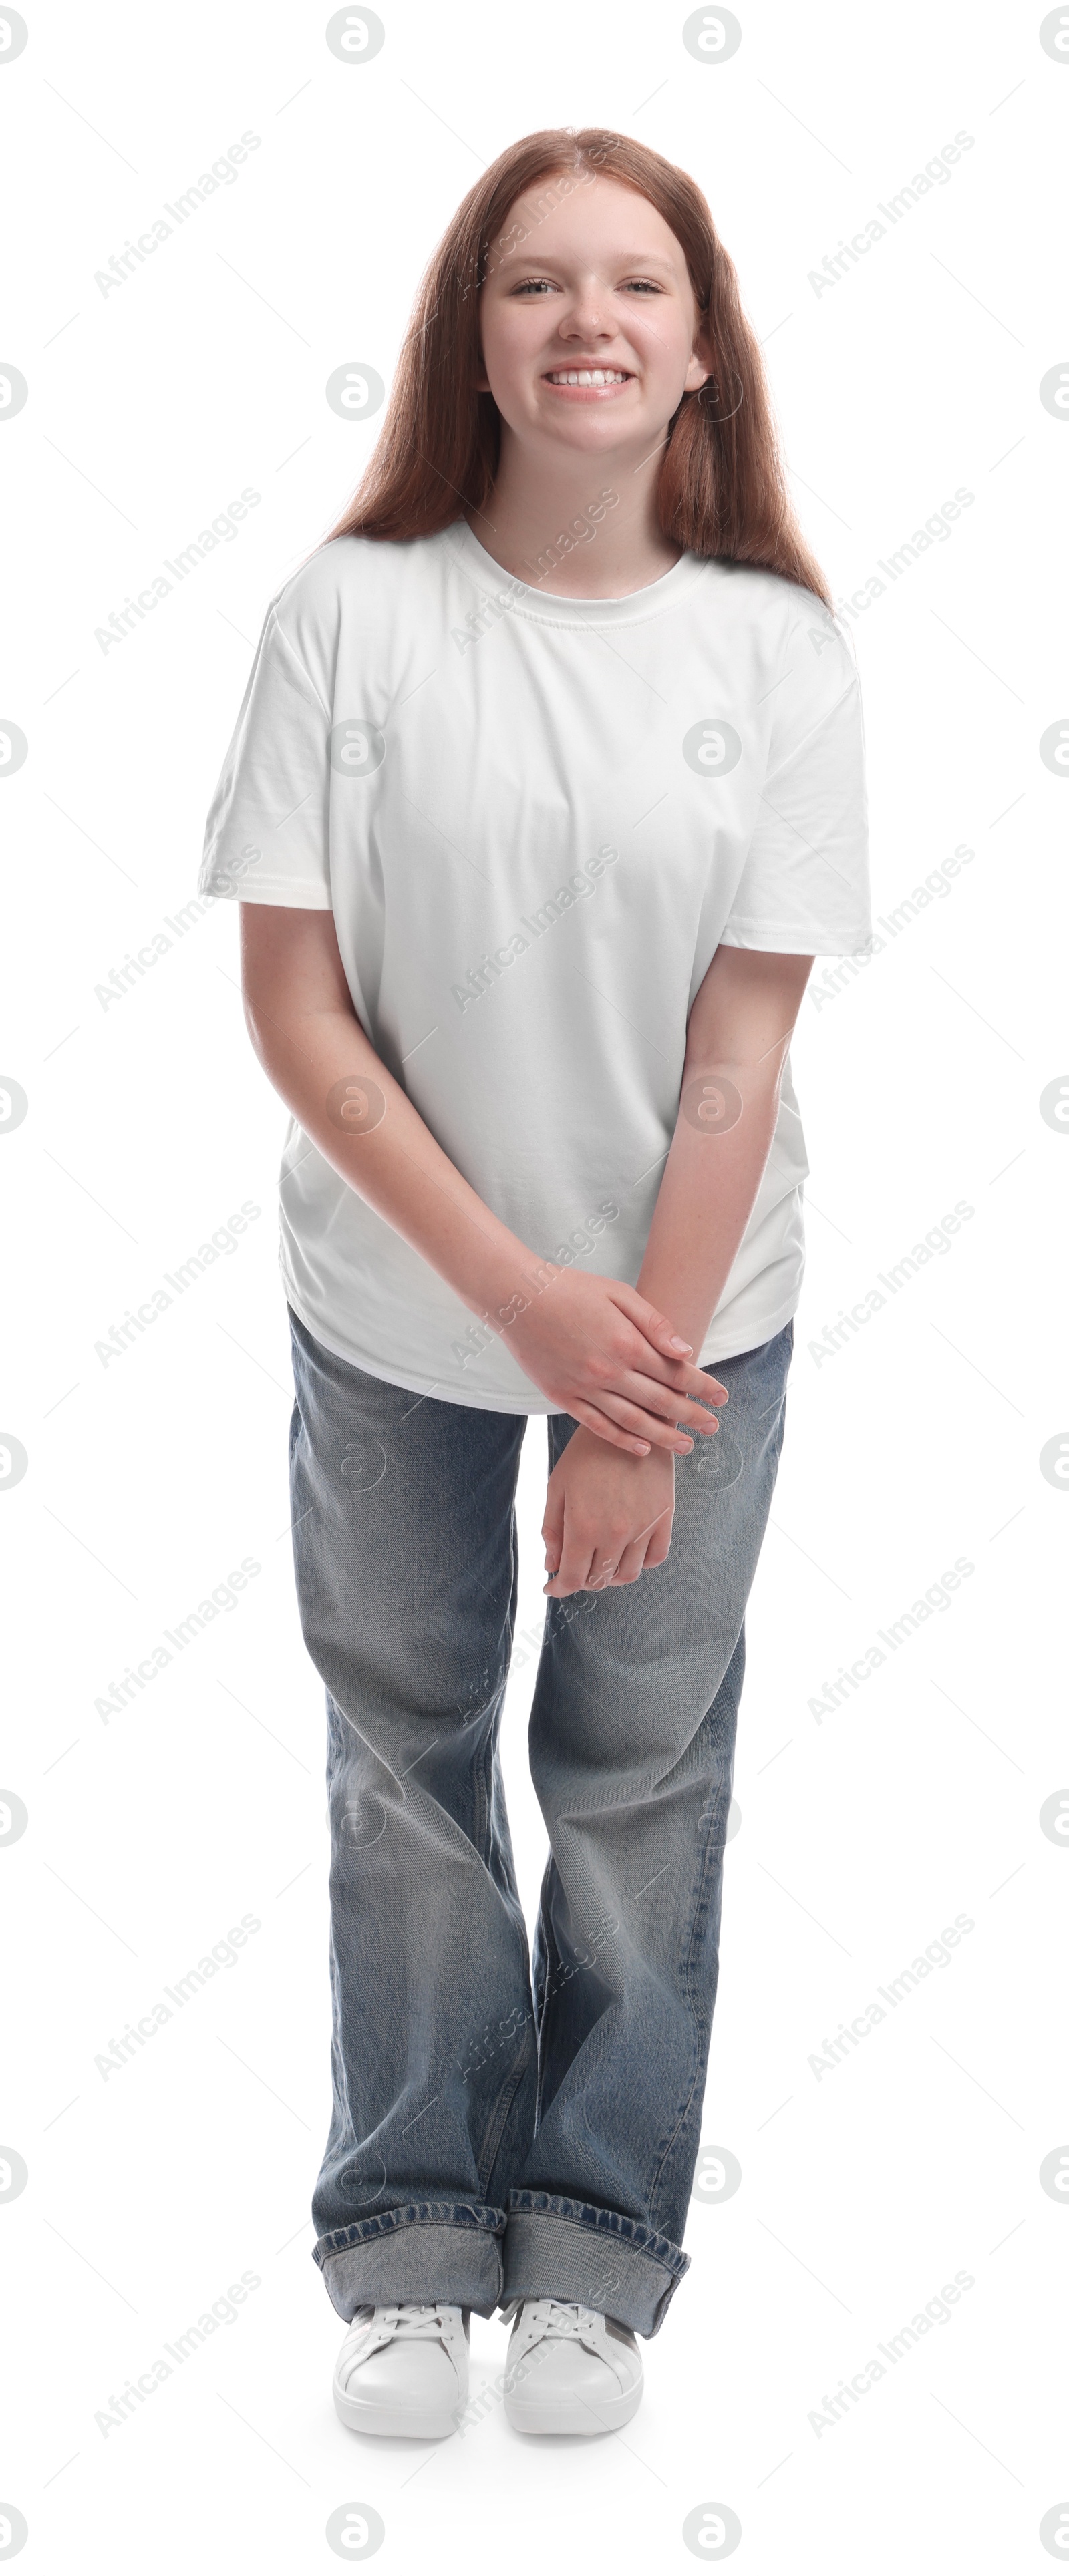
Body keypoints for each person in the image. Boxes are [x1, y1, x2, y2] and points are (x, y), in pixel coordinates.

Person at [199, 124, 871, 2442]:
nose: (587, 319)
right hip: (400, 1312)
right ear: (471, 342)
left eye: (636, 287)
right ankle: (408, 2237)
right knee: (401, 1761)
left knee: (638, 1772)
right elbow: (301, 1016)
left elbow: (741, 1042)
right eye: (533, 283)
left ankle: (591, 2245)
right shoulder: (349, 617)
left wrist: (628, 1389)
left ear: (699, 354)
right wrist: (520, 1317)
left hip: (693, 1321)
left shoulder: (775, 649)